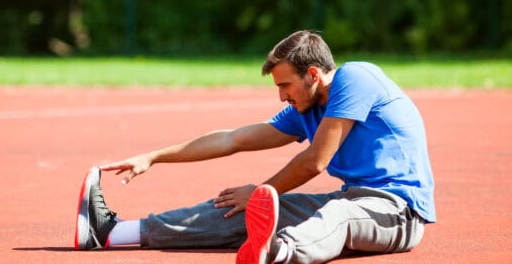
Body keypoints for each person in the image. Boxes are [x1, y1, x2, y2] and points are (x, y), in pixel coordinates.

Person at [74, 30, 436, 264]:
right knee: (235, 209)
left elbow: (315, 161)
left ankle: (278, 251)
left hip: (398, 212)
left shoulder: (356, 77)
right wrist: (153, 157)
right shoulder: (305, 109)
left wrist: (265, 193)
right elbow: (234, 139)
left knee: (337, 215)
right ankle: (112, 232)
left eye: (285, 85)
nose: (282, 96)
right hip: (352, 199)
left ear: (313, 75)